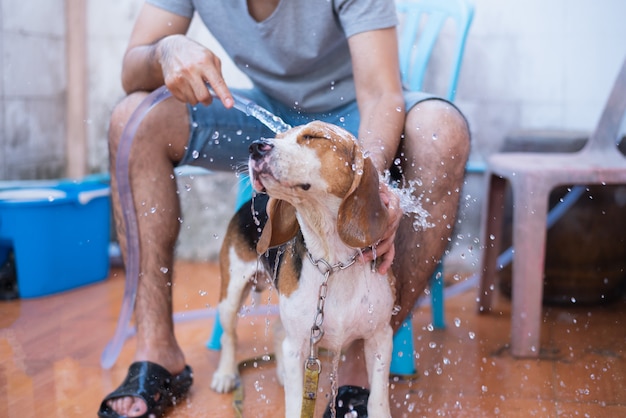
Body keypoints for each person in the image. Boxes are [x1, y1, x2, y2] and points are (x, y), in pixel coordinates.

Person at [99, 0, 470, 417]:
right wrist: (164, 50)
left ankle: (357, 375)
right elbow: (132, 70)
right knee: (131, 116)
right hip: (268, 119)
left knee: (442, 131)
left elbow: (382, 92)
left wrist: (371, 183)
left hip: (353, 114)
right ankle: (157, 351)